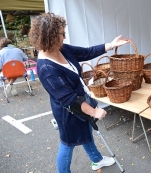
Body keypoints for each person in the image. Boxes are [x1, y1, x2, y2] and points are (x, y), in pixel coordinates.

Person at [28, 12, 129, 172]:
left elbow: (87, 52)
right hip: (68, 113)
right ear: (51, 36)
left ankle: (97, 160)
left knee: (85, 132)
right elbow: (71, 100)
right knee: (67, 145)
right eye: (62, 33)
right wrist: (94, 111)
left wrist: (111, 45)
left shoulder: (61, 49)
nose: (64, 37)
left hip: (82, 103)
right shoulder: (47, 69)